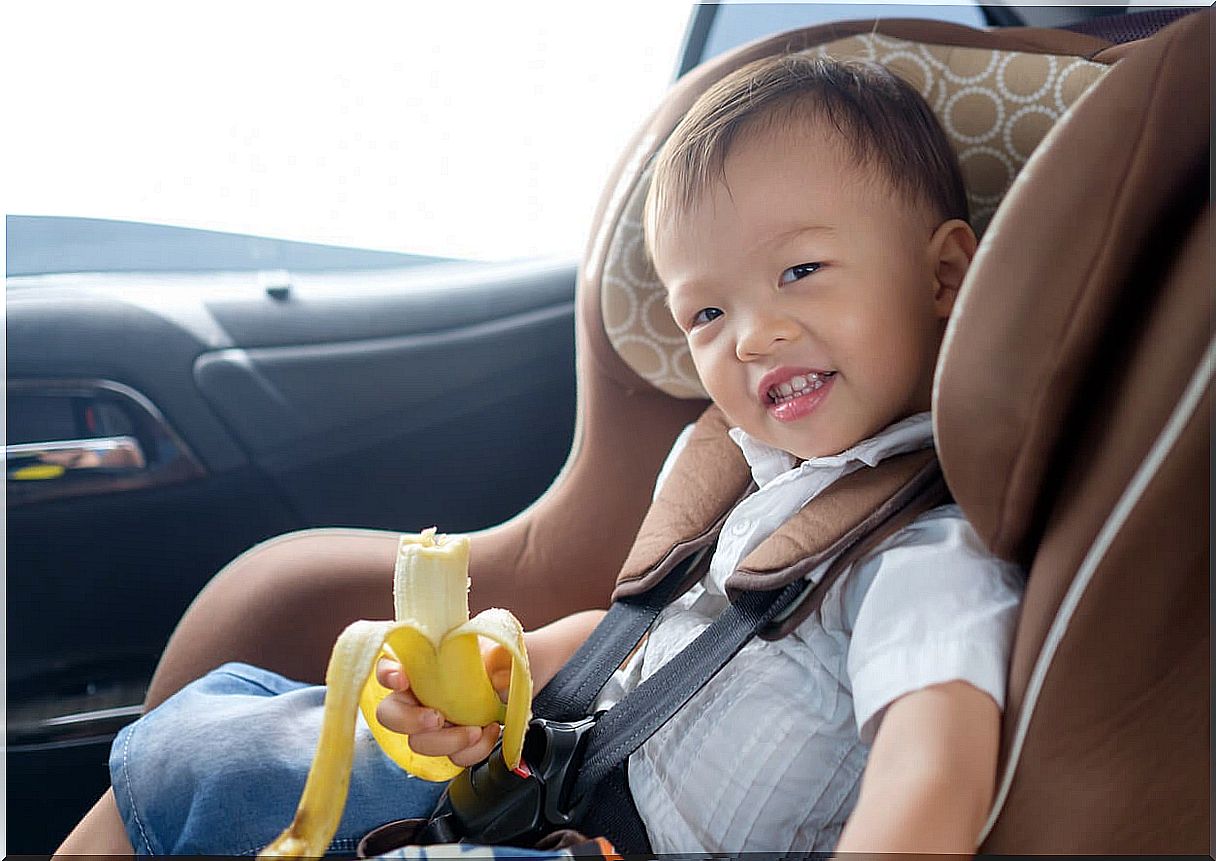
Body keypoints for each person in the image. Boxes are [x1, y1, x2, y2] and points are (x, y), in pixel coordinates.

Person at [56, 54, 1022, 858]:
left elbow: (928, 777)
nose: (754, 335)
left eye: (800, 272)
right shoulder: (762, 481)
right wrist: (501, 664)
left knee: (209, 766)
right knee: (211, 735)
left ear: (944, 275)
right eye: (707, 313)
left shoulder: (925, 558)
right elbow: (640, 639)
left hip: (614, 836)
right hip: (544, 787)